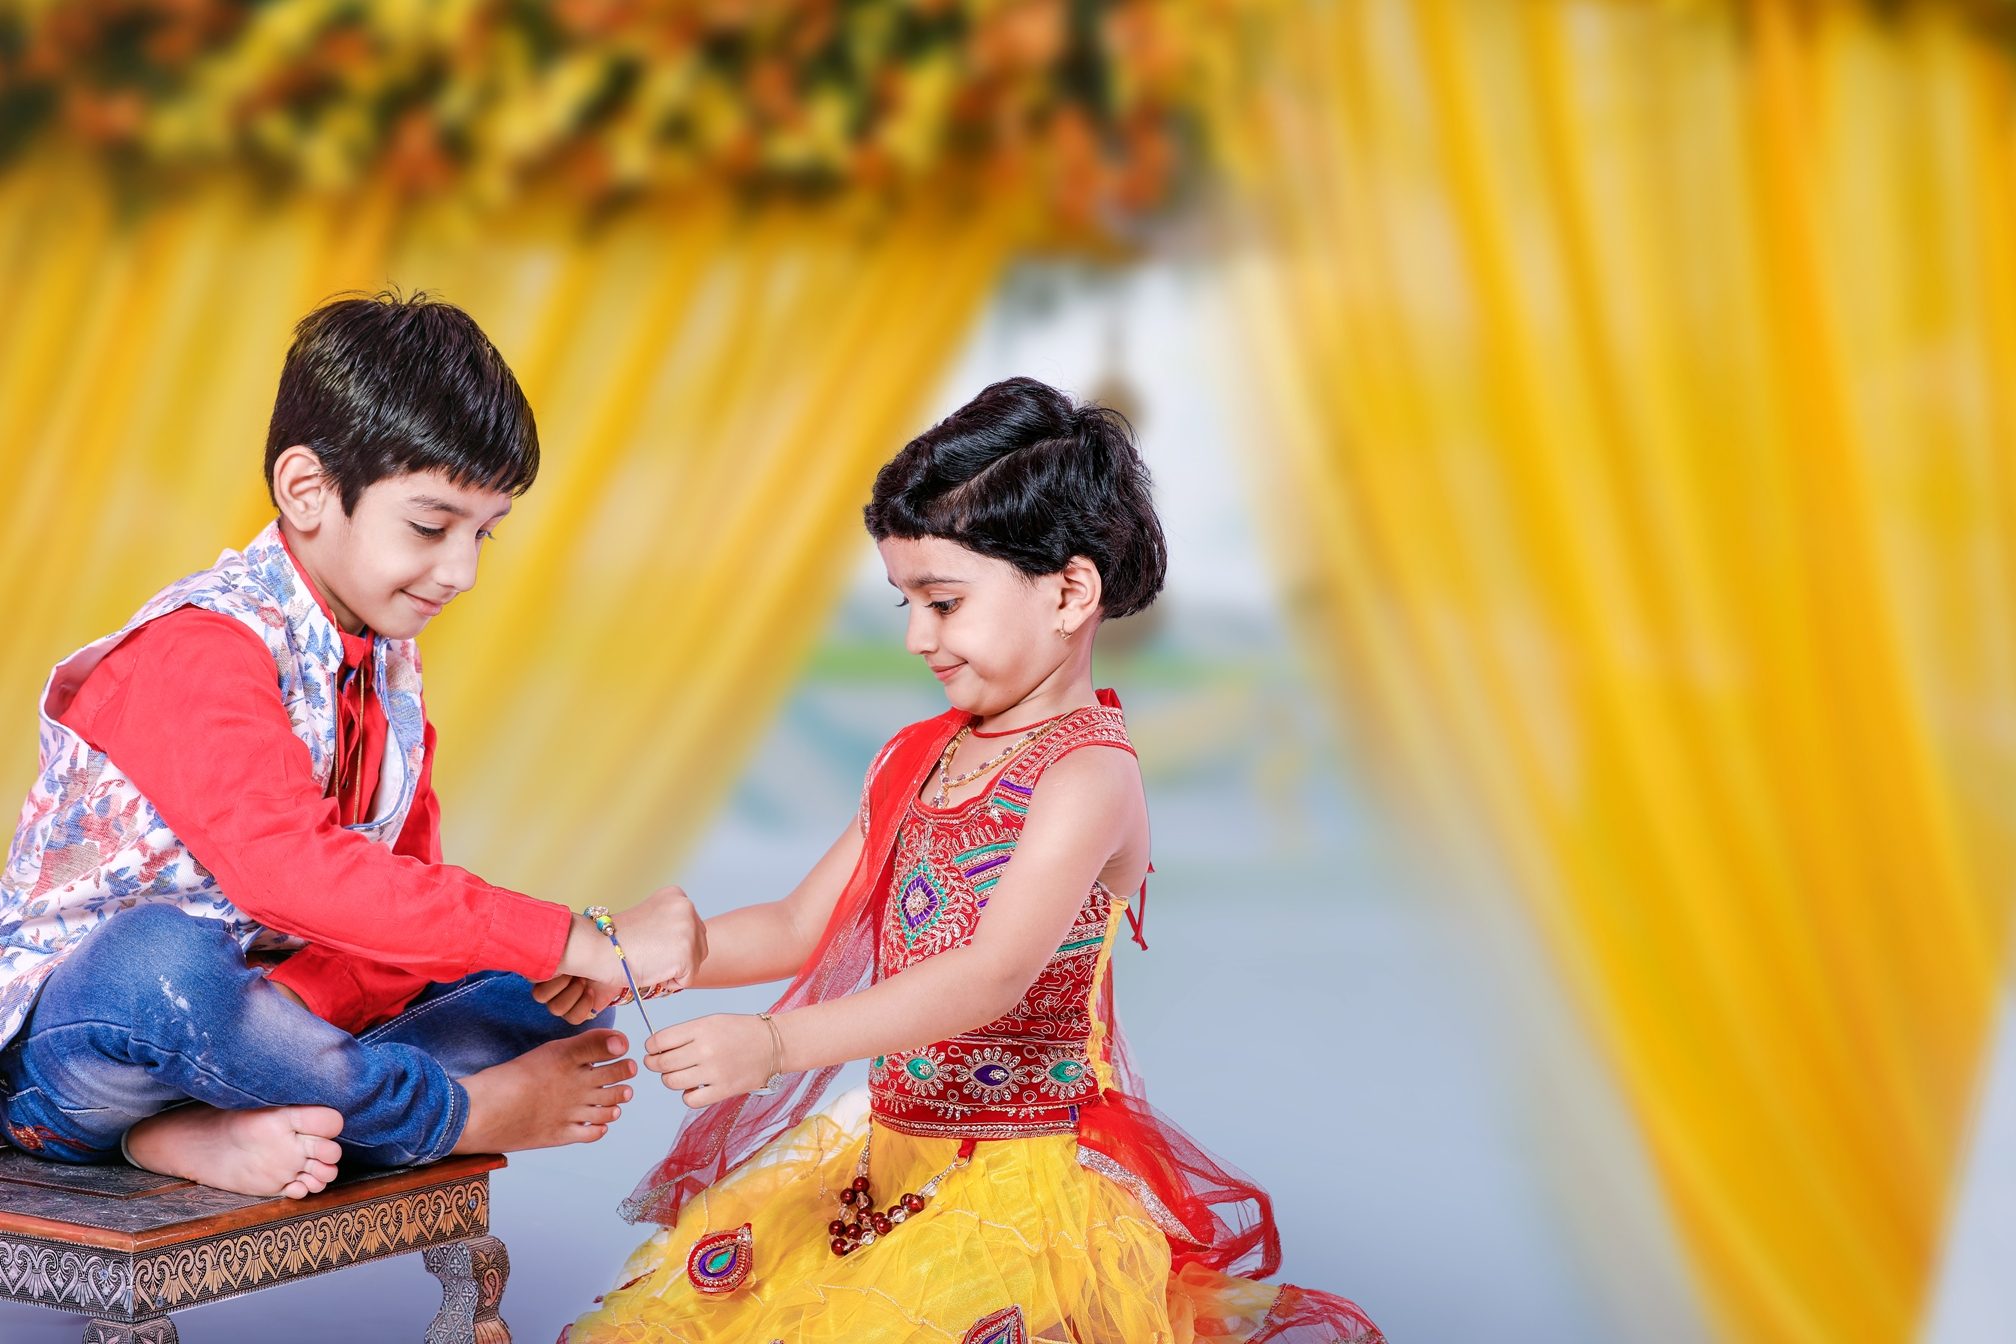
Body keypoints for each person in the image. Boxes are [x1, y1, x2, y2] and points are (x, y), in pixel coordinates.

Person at [555, 378, 1383, 1342]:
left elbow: (991, 975)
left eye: (943, 602)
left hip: (1021, 1188)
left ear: (1070, 591)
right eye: (905, 601)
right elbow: (796, 926)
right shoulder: (921, 754)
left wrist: (777, 1046)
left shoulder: (1088, 775)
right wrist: (638, 954)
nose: (916, 637)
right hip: (889, 1160)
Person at [0, 292, 705, 1200]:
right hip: (91, 1044)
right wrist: (576, 935)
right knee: (161, 961)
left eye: (483, 533)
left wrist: (573, 956)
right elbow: (291, 876)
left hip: (255, 1026)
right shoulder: (202, 646)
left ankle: (213, 1123)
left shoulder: (383, 667)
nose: (461, 571)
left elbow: (397, 908)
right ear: (306, 490)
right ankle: (445, 1114)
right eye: (430, 525)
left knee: (545, 996)